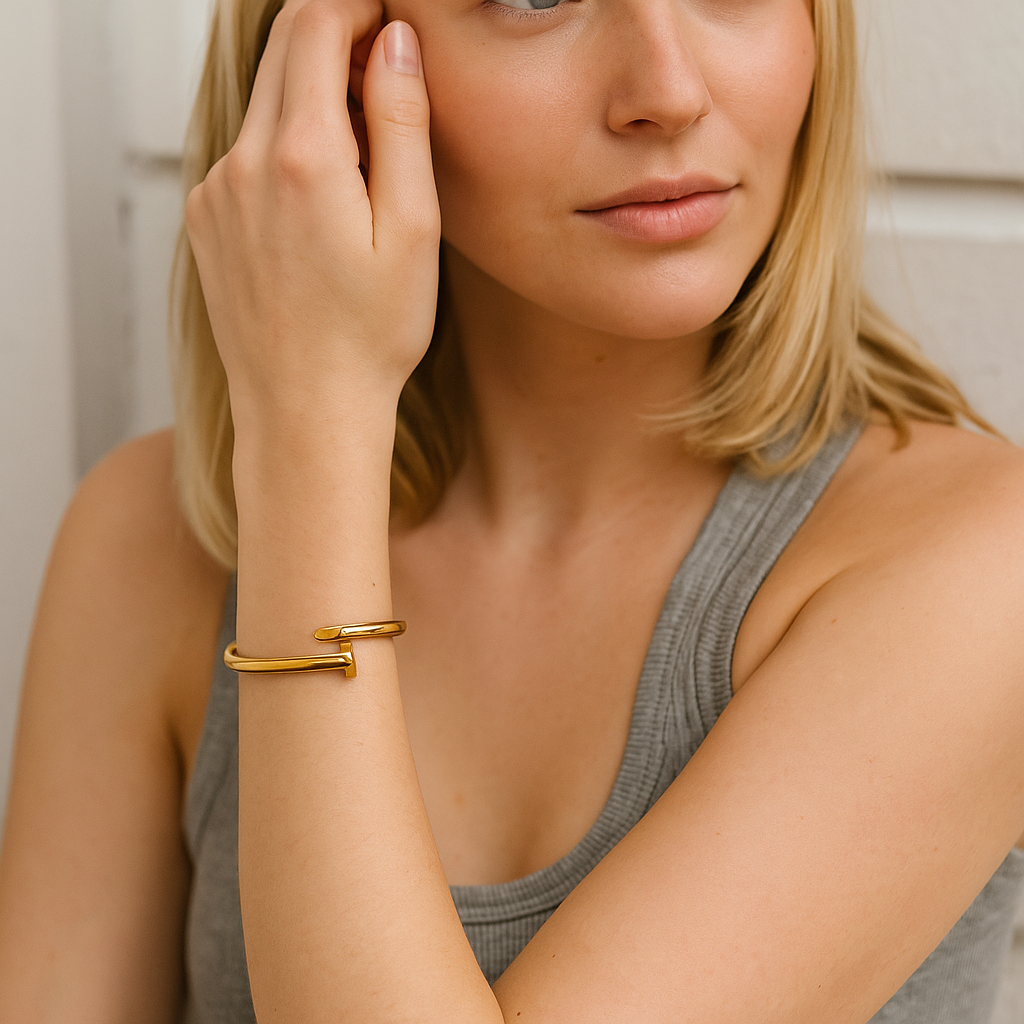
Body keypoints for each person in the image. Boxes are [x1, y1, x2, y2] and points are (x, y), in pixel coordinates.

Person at [1, 0, 1023, 1020]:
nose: (667, 91)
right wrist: (304, 438)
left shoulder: (979, 565)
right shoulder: (146, 543)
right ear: (332, 56)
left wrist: (309, 421)